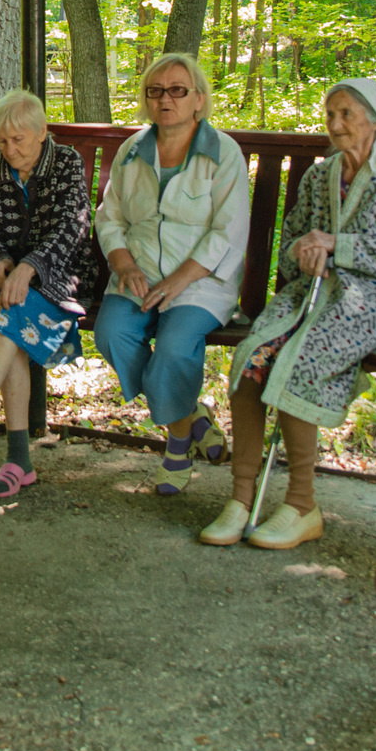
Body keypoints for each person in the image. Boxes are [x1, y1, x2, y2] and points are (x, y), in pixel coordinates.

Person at [200, 75, 376, 550]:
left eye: (346, 113)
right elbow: (292, 243)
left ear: (375, 120)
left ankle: (303, 505)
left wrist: (339, 247)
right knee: (251, 359)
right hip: (306, 296)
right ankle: (242, 498)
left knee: (298, 363)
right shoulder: (319, 175)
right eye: (330, 114)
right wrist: (304, 251)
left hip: (368, 305)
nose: (335, 123)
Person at [91, 52, 250, 497]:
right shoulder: (133, 149)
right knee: (113, 335)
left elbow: (229, 232)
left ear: (199, 99)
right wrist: (123, 263)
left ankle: (177, 446)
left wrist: (178, 281)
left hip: (199, 283)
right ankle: (191, 417)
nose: (166, 99)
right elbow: (109, 217)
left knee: (175, 349)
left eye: (178, 90)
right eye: (155, 91)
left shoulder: (223, 153)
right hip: (138, 275)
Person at [0, 89, 101, 497]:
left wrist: (30, 268)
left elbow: (72, 228)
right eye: (1, 141)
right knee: (11, 317)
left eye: (18, 139)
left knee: (12, 309)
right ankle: (18, 462)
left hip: (62, 275)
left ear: (42, 132)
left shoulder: (65, 162)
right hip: (9, 282)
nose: (8, 149)